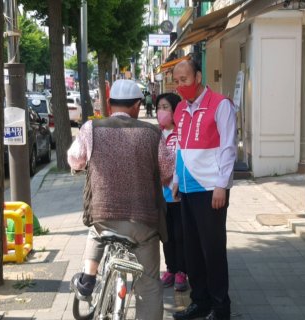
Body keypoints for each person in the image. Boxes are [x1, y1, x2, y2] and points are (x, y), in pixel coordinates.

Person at [68, 79, 174, 320]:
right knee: (149, 285)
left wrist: (84, 165)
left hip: (104, 217)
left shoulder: (90, 129)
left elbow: (75, 159)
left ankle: (88, 278)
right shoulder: (153, 133)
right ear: (138, 106)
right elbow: (167, 171)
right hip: (143, 223)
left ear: (109, 103)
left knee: (95, 230)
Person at [171, 60, 237, 320]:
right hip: (187, 188)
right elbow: (179, 148)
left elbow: (229, 148)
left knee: (213, 250)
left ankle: (221, 307)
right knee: (192, 251)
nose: (180, 86)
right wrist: (176, 179)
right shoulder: (179, 109)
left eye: (184, 79)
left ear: (198, 76)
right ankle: (200, 301)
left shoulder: (220, 105)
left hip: (211, 189)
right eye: (176, 81)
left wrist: (222, 185)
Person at [156, 93, 189, 292]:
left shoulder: (182, 133)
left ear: (175, 110)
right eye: (159, 106)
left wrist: (173, 181)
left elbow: (183, 161)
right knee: (166, 236)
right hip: (162, 196)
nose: (161, 111)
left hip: (178, 193)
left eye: (166, 107)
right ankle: (170, 268)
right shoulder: (157, 134)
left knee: (180, 235)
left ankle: (182, 271)